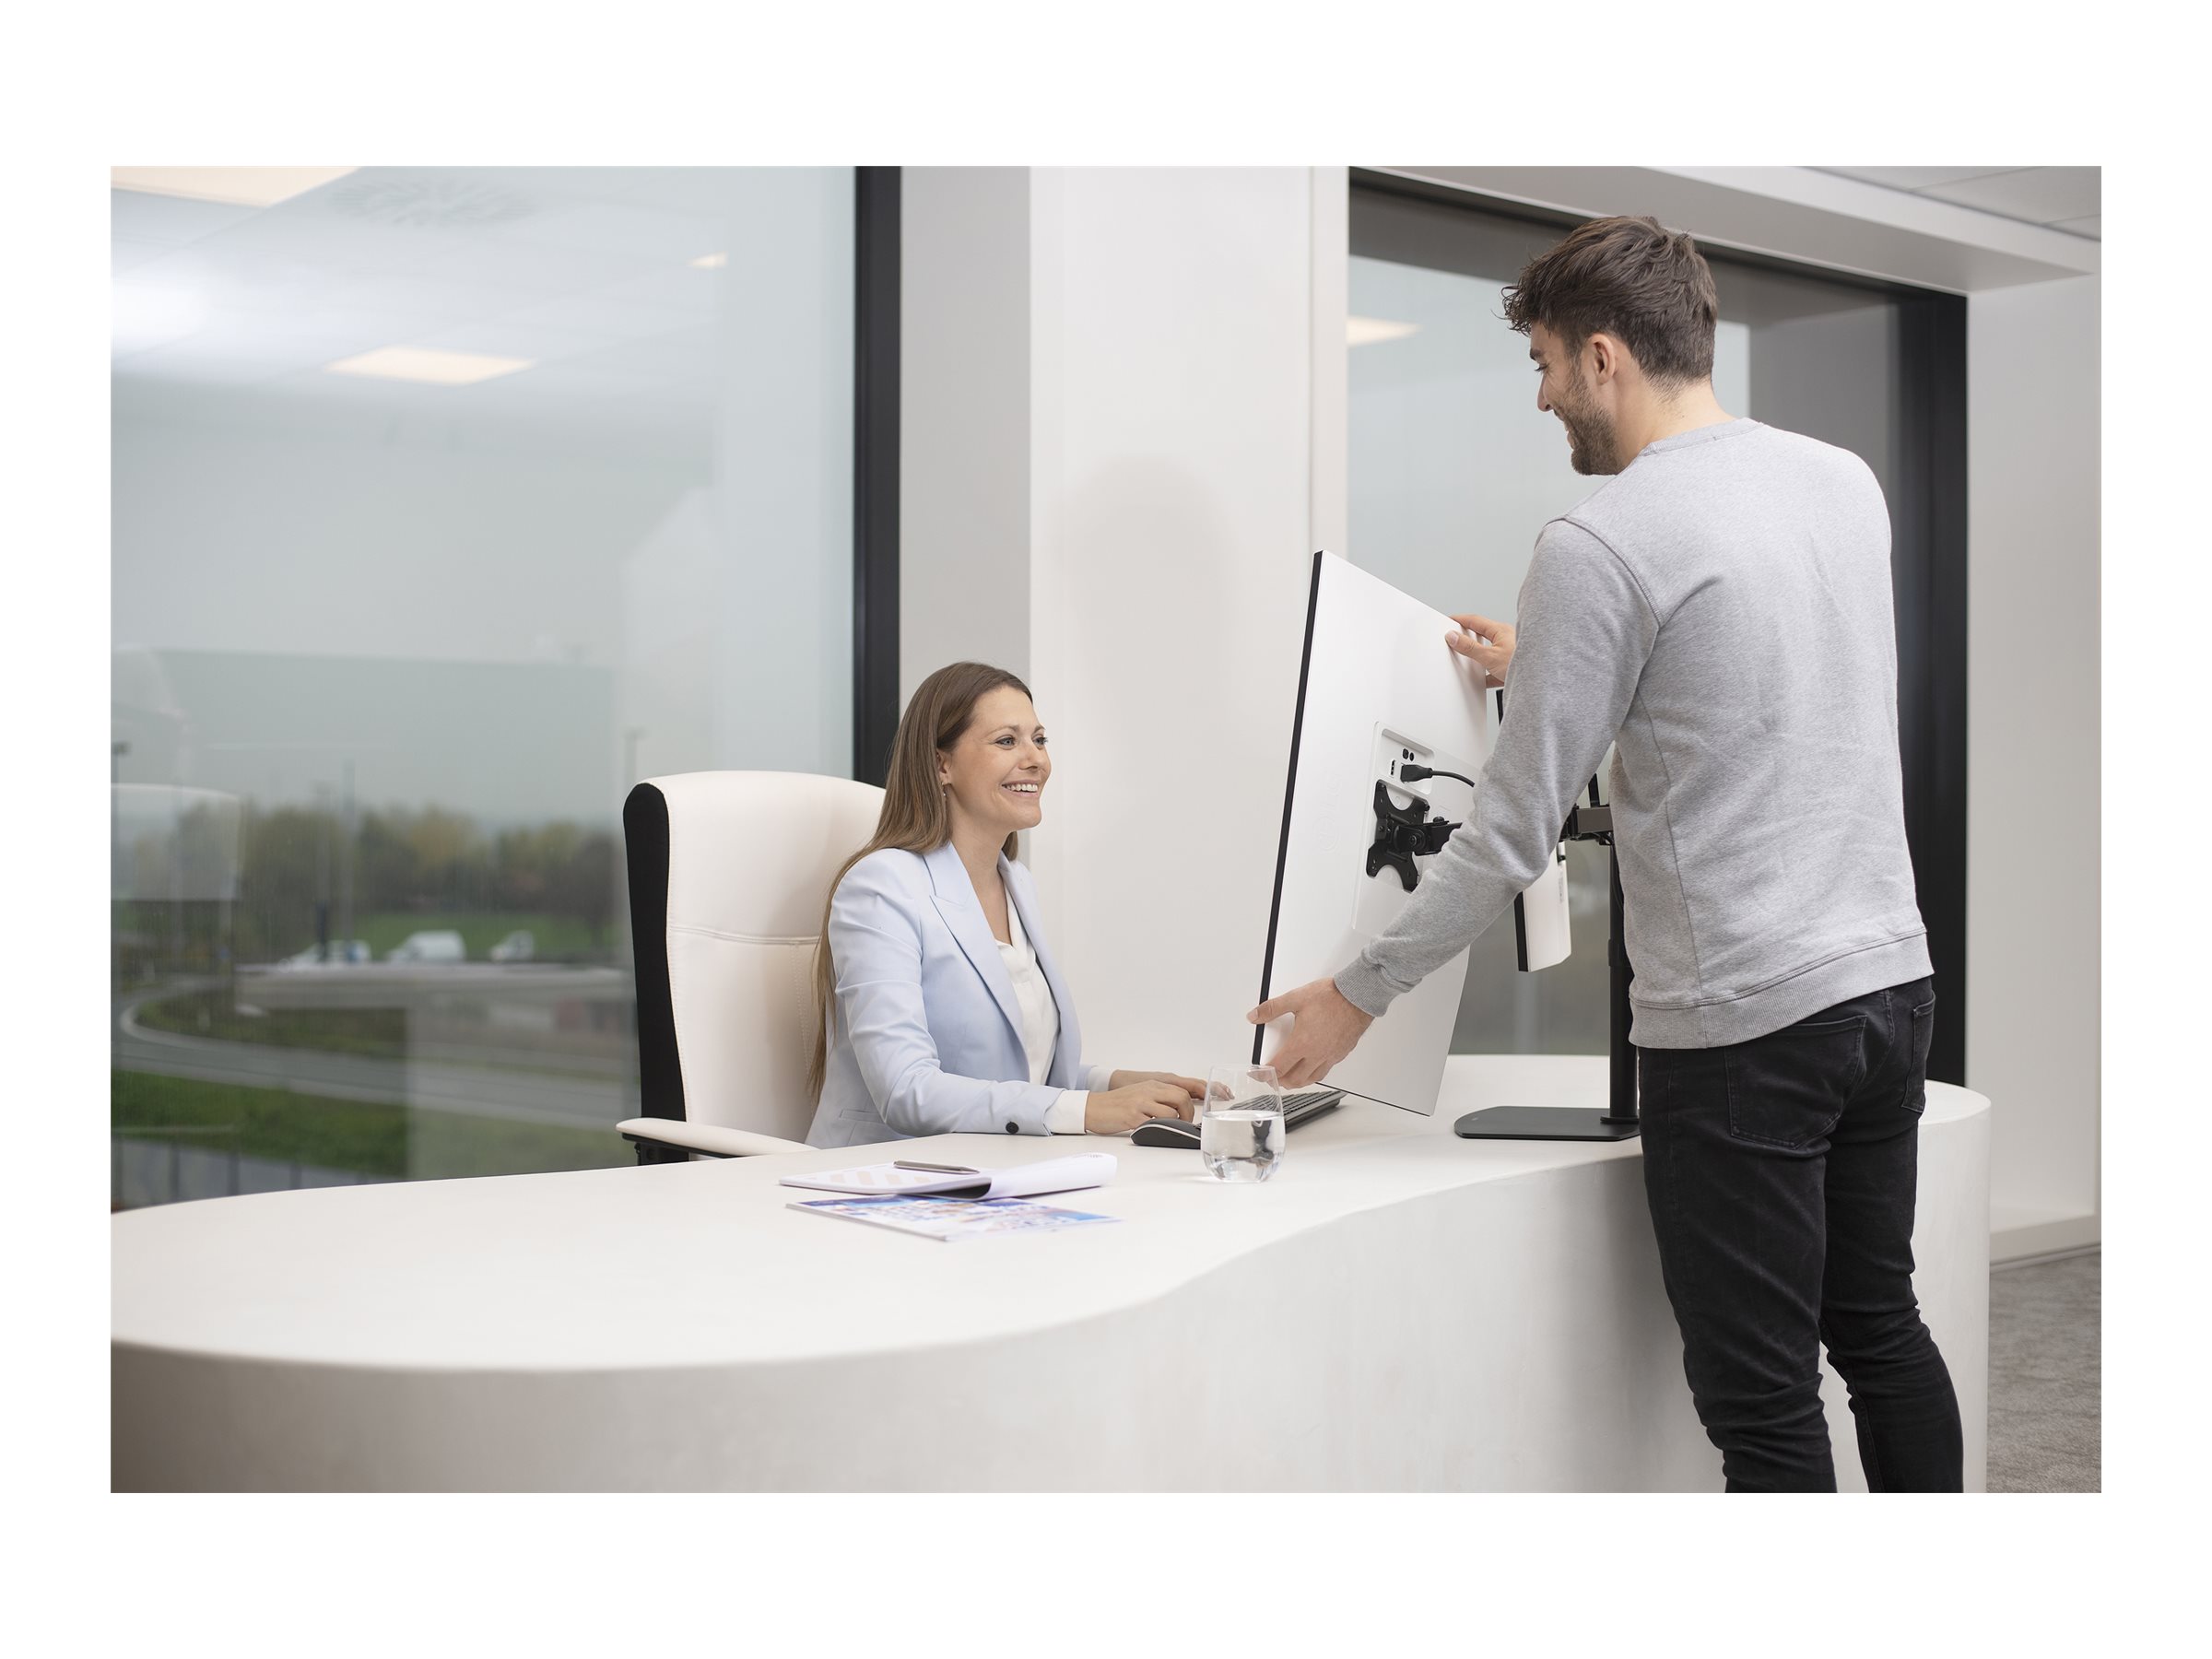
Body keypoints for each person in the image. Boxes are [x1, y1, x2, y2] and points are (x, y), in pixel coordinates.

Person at [1251, 216, 1962, 1492]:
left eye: (1541, 365)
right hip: (1886, 986)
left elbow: (1510, 833)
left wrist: (1358, 993)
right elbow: (1767, 676)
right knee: (1882, 1331)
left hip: (1746, 1027)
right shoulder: (1839, 481)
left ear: (1601, 357)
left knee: (1763, 1400)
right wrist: (1558, 669)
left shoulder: (1597, 544)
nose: (1540, 399)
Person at [806, 660, 1202, 1148]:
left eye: (1039, 739)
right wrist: (1089, 1109)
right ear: (941, 765)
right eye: (1007, 741)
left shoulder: (1017, 884)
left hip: (992, 1168)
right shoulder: (881, 886)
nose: (1036, 759)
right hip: (880, 1174)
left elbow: (1005, 1072)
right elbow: (906, 1089)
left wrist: (1112, 1083)